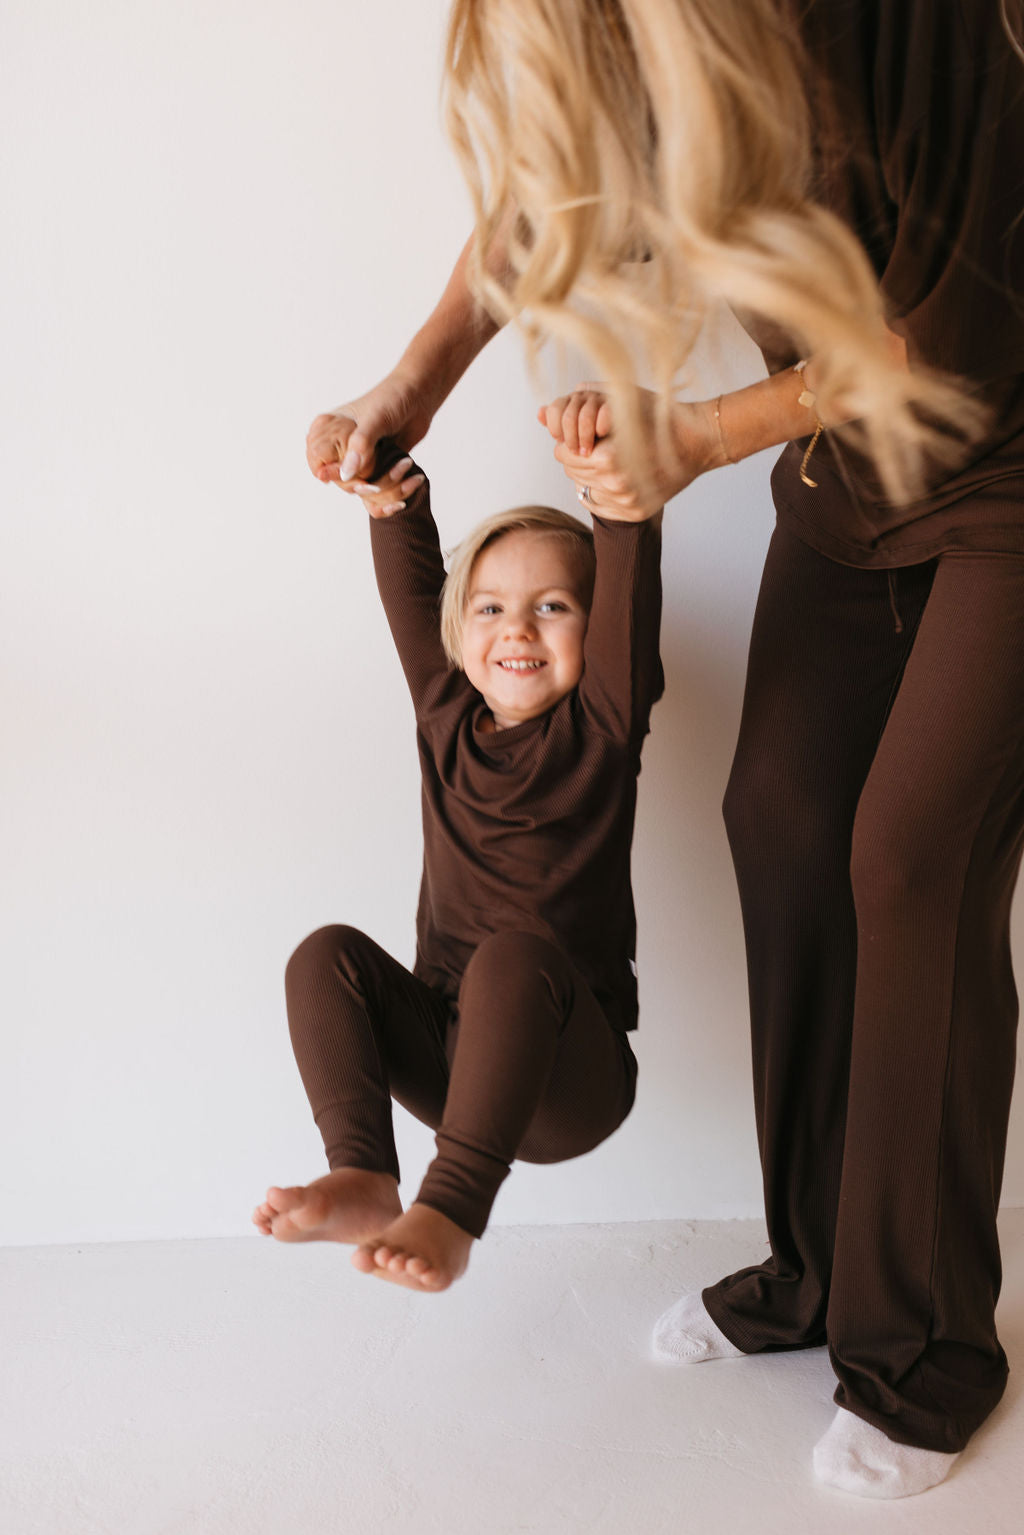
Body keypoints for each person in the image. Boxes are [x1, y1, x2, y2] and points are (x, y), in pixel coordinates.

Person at [299, 0, 1024, 1500]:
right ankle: (816, 1271)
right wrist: (408, 387)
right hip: (854, 476)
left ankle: (924, 1351)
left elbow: (940, 334)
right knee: (780, 816)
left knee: (909, 857)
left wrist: (697, 436)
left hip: (1010, 464)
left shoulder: (918, 29)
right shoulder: (634, 30)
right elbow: (547, 188)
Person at [254, 438, 664, 1292]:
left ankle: (451, 1206)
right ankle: (364, 1174)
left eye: (552, 606)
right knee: (324, 954)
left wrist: (620, 498)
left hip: (569, 1079)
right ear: (459, 628)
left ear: (597, 631)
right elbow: (412, 594)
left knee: (510, 957)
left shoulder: (603, 725)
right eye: (490, 608)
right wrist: (391, 495)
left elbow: (627, 592)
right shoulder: (446, 716)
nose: (516, 628)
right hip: (450, 1063)